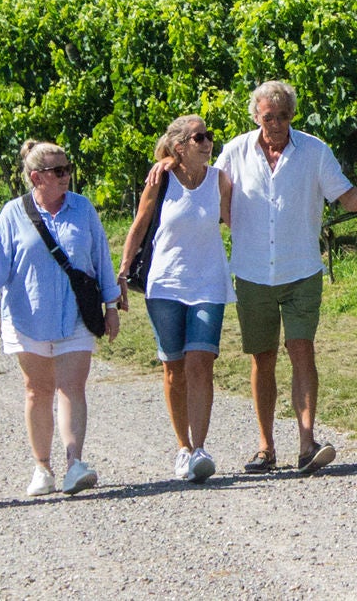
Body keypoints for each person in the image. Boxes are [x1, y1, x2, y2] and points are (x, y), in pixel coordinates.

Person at [215, 80, 357, 474]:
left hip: (301, 270)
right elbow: (212, 196)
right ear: (256, 116)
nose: (277, 124)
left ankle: (306, 442)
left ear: (292, 116)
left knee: (302, 351)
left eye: (284, 117)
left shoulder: (314, 151)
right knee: (261, 358)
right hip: (251, 272)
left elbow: (346, 200)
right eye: (269, 117)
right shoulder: (234, 152)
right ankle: (266, 448)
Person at [0, 139, 122, 497]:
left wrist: (112, 306)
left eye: (68, 168)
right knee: (37, 390)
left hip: (76, 314)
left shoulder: (83, 209)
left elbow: (100, 259)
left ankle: (75, 464)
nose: (66, 176)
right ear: (35, 177)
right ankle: (42, 467)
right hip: (28, 316)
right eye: (58, 171)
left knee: (72, 388)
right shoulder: (13, 213)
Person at [118, 113, 232, 483]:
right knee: (174, 367)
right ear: (180, 146)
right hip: (165, 283)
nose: (208, 142)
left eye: (209, 135)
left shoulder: (220, 179)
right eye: (199, 137)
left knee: (202, 361)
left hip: (209, 284)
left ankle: (200, 448)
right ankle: (182, 447)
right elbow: (139, 225)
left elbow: (236, 221)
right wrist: (121, 273)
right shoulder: (161, 178)